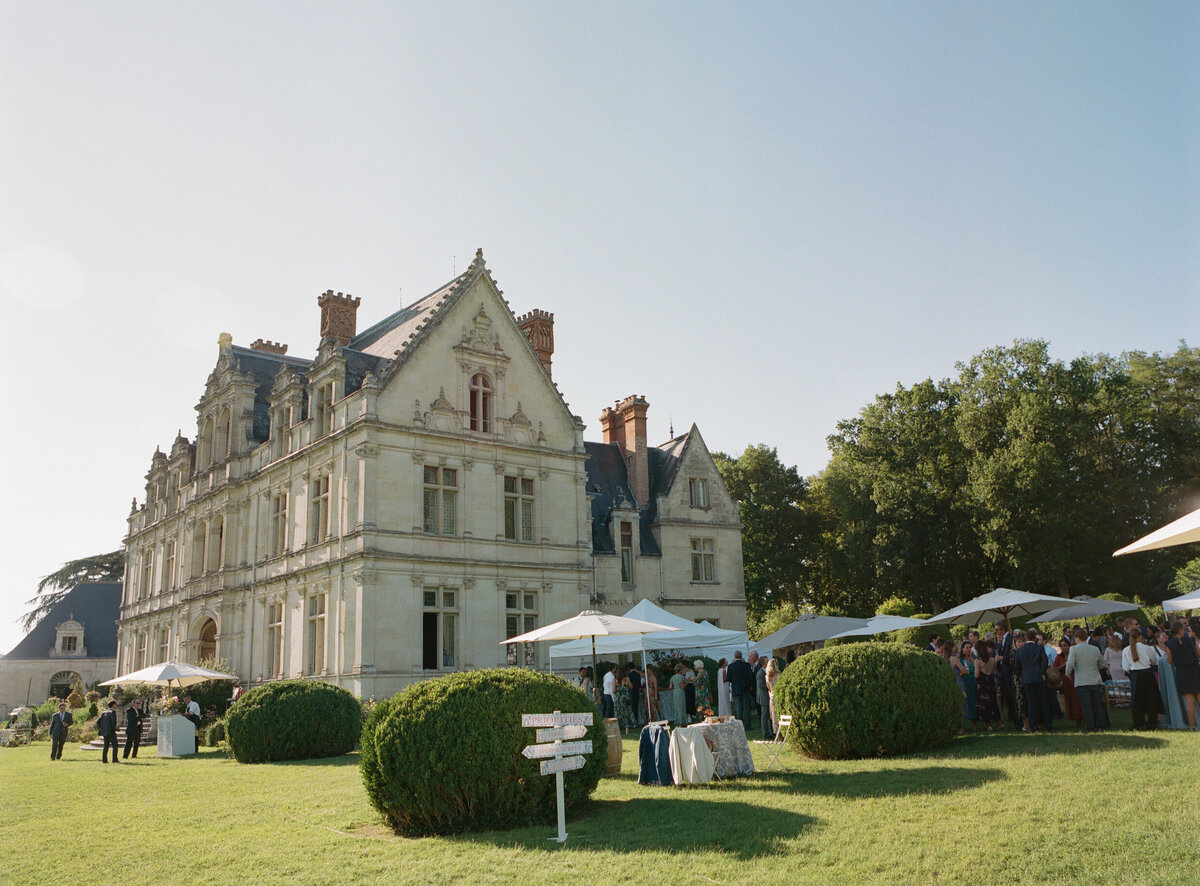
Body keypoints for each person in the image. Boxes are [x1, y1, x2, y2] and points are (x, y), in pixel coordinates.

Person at [1064, 628, 1107, 732]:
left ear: (1077, 638)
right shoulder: (1095, 649)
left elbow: (1069, 664)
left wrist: (1067, 673)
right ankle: (1102, 725)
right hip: (1095, 679)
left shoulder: (1074, 649)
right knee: (1097, 704)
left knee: (1086, 705)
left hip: (1081, 681)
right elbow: (1102, 664)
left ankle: (1091, 726)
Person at [1122, 631, 1162, 730]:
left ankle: (1138, 724)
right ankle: (1152, 724)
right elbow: (1154, 660)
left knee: (1137, 701)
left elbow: (1125, 667)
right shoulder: (1146, 648)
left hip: (1135, 674)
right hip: (1148, 674)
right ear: (1140, 636)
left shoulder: (1126, 650)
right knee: (1151, 700)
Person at [1015, 629, 1053, 732]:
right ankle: (1048, 725)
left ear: (1026, 638)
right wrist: (1042, 672)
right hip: (1039, 677)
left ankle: (1033, 726)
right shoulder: (1039, 648)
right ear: (1035, 638)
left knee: (1031, 703)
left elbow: (1017, 666)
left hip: (1027, 678)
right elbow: (1044, 661)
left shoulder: (1019, 651)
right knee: (1044, 702)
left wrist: (1023, 672)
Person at [1166, 620, 1200, 730]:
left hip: (1181, 671)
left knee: (1188, 700)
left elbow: (1169, 660)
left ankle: (1192, 725)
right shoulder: (1191, 640)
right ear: (1181, 629)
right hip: (1194, 669)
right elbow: (1198, 654)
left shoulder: (1169, 644)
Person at [1154, 630, 1185, 729]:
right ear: (1158, 639)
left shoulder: (1171, 646)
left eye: (1166, 636)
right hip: (1159, 673)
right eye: (1163, 636)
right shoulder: (1153, 649)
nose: (1165, 638)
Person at [1054, 639, 1083, 728]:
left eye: (1065, 645)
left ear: (1069, 646)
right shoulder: (1059, 657)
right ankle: (1075, 718)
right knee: (1070, 700)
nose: (1063, 647)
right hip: (1066, 681)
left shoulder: (1074, 655)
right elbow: (1055, 669)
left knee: (1078, 700)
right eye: (1061, 646)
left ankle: (1081, 717)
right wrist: (1065, 665)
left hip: (1076, 679)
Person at [974, 643, 1001, 730]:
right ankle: (999, 722)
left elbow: (977, 675)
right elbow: (993, 669)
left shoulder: (977, 661)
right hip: (991, 682)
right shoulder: (992, 660)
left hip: (982, 684)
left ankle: (988, 724)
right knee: (993, 703)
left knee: (984, 704)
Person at [727, 651, 755, 730]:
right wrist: (750, 685)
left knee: (738, 709)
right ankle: (747, 726)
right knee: (746, 709)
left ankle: (739, 726)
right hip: (745, 689)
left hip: (736, 689)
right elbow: (750, 676)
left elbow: (728, 678)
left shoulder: (731, 666)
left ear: (734, 657)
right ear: (741, 656)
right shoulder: (746, 665)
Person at [957, 642, 977, 731]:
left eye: (970, 647)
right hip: (965, 681)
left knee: (974, 700)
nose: (969, 649)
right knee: (966, 701)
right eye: (967, 647)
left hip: (974, 680)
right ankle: (963, 724)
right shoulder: (959, 660)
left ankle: (975, 723)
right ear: (963, 649)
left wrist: (972, 658)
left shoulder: (975, 658)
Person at [614, 666, 636, 733]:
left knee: (618, 714)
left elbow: (613, 690)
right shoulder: (627, 679)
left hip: (618, 699)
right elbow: (631, 687)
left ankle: (618, 728)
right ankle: (627, 729)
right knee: (626, 713)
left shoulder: (615, 680)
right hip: (625, 698)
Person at [756, 657, 773, 739]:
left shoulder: (764, 671)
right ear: (763, 664)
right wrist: (769, 686)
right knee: (765, 716)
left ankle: (770, 732)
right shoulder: (761, 673)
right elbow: (760, 685)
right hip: (763, 697)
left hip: (766, 696)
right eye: (767, 661)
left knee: (768, 716)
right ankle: (765, 734)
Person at [765, 657, 780, 736]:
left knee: (774, 715)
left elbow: (768, 687)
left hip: (772, 696)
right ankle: (781, 731)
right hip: (778, 695)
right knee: (779, 714)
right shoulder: (778, 675)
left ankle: (776, 732)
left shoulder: (767, 677)